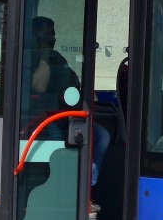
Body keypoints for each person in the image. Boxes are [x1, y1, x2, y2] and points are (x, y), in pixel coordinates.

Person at [28, 16, 109, 185]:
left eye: (53, 34)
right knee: (58, 139)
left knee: (101, 135)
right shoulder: (30, 58)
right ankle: (60, 185)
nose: (53, 38)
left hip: (65, 115)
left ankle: (88, 185)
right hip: (41, 117)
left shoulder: (58, 58)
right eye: (48, 35)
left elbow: (74, 82)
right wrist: (44, 55)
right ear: (37, 36)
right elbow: (39, 86)